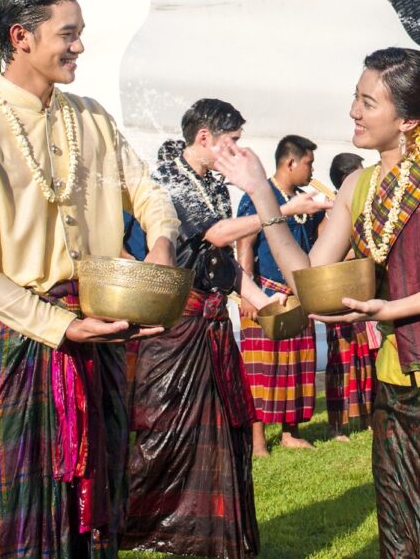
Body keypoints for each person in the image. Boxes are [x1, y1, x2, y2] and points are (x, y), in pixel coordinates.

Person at [213, 47, 420, 558]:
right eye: (355, 99)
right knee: (405, 535)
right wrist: (262, 194)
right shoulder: (358, 185)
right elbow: (308, 279)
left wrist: (394, 309)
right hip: (400, 379)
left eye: (367, 102)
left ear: (408, 120)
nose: (354, 112)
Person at [0, 0, 179, 558]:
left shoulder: (91, 118)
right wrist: (62, 326)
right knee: (24, 513)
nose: (79, 46)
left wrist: (161, 246)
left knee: (101, 499)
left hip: (100, 327)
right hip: (21, 345)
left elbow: (148, 193)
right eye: (68, 35)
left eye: (80, 33)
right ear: (21, 37)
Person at [123, 100, 299, 557]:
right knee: (166, 430)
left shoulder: (214, 185)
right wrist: (281, 208)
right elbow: (216, 234)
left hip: (213, 322)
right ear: (205, 137)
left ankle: (210, 534)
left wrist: (260, 300)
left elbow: (220, 261)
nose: (237, 149)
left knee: (222, 431)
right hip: (174, 325)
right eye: (232, 140)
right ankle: (141, 526)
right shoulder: (168, 178)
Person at [237, 135, 328, 454]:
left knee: (297, 366)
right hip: (264, 293)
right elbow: (245, 243)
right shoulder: (260, 195)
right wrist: (247, 294)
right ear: (290, 162)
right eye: (308, 163)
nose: (312, 170)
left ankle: (291, 432)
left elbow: (321, 242)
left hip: (298, 293)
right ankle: (258, 439)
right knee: (261, 371)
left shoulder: (306, 202)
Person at [323, 151, 377, 440]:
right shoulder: (329, 214)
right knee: (340, 362)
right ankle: (336, 425)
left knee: (365, 358)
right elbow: (328, 260)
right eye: (359, 172)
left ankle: (368, 416)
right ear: (347, 178)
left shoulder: (364, 208)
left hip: (361, 293)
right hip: (336, 297)